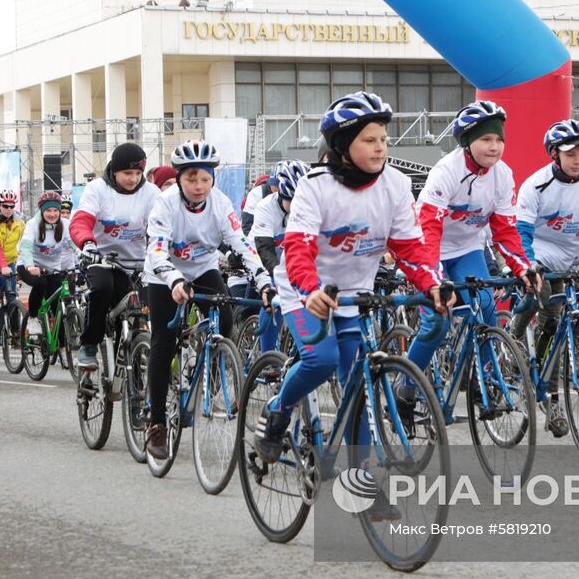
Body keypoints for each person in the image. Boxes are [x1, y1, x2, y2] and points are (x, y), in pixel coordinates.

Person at [254, 92, 449, 467]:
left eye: (383, 139)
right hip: (304, 291)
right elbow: (298, 249)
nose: (380, 148)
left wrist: (432, 284)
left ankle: (361, 482)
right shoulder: (315, 186)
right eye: (369, 140)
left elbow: (410, 247)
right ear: (344, 146)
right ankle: (279, 408)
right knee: (321, 359)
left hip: (355, 294)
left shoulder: (394, 183)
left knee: (357, 388)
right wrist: (310, 290)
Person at [144, 141, 272, 460]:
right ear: (180, 178)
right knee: (163, 341)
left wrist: (265, 282)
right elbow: (157, 249)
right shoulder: (165, 204)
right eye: (191, 179)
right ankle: (156, 423)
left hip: (203, 267)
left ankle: (209, 379)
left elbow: (242, 245)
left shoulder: (221, 203)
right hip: (163, 275)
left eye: (205, 179)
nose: (199, 186)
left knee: (225, 318)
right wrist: (173, 279)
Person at [412, 101, 537, 384]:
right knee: (437, 323)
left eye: (499, 139)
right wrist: (432, 278)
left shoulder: (503, 175)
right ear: (468, 142)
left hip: (467, 248)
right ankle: (407, 386)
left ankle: (487, 379)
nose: (494, 146)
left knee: (486, 309)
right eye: (485, 139)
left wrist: (522, 268)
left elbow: (505, 230)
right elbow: (429, 229)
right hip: (430, 249)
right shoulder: (446, 171)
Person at [513, 119, 579, 433]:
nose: (577, 160)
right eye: (570, 154)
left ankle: (550, 395)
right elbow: (520, 232)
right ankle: (514, 333)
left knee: (556, 325)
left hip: (567, 259)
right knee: (541, 297)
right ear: (554, 154)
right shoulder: (535, 184)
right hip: (536, 253)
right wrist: (528, 264)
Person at [69, 143, 160, 372]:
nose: (133, 179)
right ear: (115, 170)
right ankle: (89, 345)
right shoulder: (97, 189)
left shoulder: (151, 193)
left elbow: (160, 226)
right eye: (128, 173)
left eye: (138, 174)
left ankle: (138, 382)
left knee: (146, 310)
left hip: (138, 264)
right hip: (101, 259)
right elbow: (81, 221)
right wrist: (87, 243)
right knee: (101, 289)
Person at [249, 159, 311, 351]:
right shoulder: (265, 207)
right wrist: (278, 277)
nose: (298, 206)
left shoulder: (311, 206)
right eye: (292, 200)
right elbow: (265, 249)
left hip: (291, 255)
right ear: (281, 194)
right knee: (274, 296)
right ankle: (267, 355)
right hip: (262, 254)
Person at [18, 190, 78, 319]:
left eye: (55, 210)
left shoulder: (65, 224)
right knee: (41, 282)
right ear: (42, 211)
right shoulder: (32, 224)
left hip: (53, 268)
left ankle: (63, 338)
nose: (52, 214)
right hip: (29, 266)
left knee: (59, 312)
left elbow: (74, 244)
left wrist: (85, 256)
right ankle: (33, 319)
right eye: (48, 211)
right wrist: (29, 266)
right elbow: (25, 247)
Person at [0, 188, 23, 309]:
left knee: (12, 297)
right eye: (5, 206)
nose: (9, 209)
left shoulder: (19, 223)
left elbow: (25, 242)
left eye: (12, 206)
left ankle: (15, 326)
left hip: (9, 264)